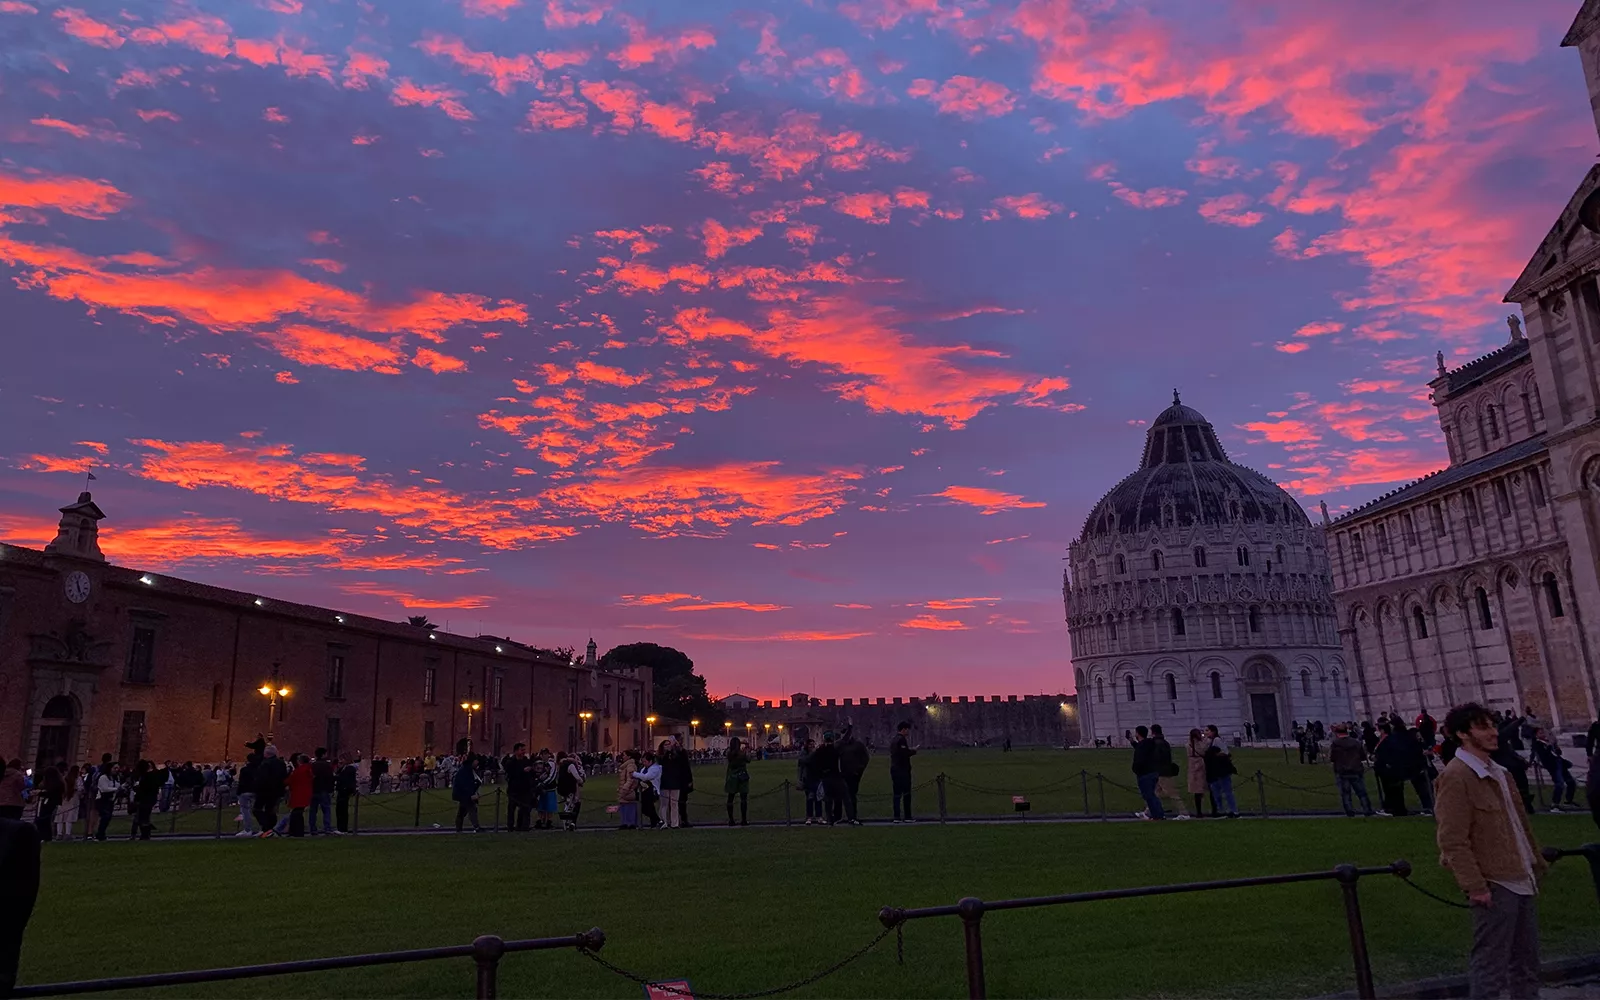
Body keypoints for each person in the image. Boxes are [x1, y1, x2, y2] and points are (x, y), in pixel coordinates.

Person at [1435, 702, 1546, 999]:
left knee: (1527, 963)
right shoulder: (1456, 776)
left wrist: (1534, 862)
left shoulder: (1500, 771)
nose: (1494, 733)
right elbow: (1452, 839)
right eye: (1483, 727)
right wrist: (1475, 886)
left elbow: (1518, 825)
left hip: (1521, 875)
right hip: (1494, 883)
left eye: (1493, 725)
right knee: (1491, 966)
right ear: (1461, 734)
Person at [1329, 724, 1375, 817]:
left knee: (1346, 794)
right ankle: (1367, 809)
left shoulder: (1335, 743)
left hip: (1342, 771)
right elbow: (1362, 756)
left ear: (1337, 733)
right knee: (1362, 792)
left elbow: (1332, 758)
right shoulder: (1356, 742)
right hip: (1356, 769)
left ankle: (1349, 811)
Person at [1530, 730, 1576, 811]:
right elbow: (1544, 755)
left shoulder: (1548, 742)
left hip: (1560, 762)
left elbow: (1558, 753)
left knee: (1571, 782)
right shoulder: (1537, 744)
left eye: (1543, 732)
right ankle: (1555, 804)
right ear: (1536, 735)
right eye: (1540, 733)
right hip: (1552, 765)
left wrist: (1555, 746)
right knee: (1559, 783)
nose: (1543, 734)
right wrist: (1550, 745)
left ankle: (1568, 801)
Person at [1149, 724, 1188, 819]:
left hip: (1161, 771)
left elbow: (1157, 757)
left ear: (1152, 732)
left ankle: (1184, 813)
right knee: (1155, 793)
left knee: (1172, 793)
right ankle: (1148, 811)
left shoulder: (1156, 743)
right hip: (1165, 770)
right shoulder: (1164, 742)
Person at [1203, 725, 1238, 818]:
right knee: (1217, 791)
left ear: (1213, 731)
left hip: (1221, 770)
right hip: (1215, 771)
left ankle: (1232, 810)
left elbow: (1226, 752)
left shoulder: (1217, 740)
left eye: (1207, 730)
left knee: (1226, 791)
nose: (1205, 732)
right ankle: (1222, 810)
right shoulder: (1210, 741)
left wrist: (1215, 755)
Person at [837, 725, 869, 826]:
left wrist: (859, 770)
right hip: (842, 774)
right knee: (839, 796)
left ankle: (853, 816)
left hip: (854, 774)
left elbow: (865, 758)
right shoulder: (840, 745)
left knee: (851, 795)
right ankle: (839, 817)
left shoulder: (858, 745)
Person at [1130, 726, 1164, 820]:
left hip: (1145, 773)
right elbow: (1139, 747)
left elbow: (1140, 758)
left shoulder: (1143, 746)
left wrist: (1136, 769)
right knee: (1151, 795)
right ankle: (1158, 814)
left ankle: (1157, 816)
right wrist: (1132, 741)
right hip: (1152, 772)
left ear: (1138, 733)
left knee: (1149, 796)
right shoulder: (1148, 744)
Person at [813, 731, 845, 825]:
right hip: (836, 775)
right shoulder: (836, 749)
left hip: (825, 776)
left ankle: (829, 818)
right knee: (838, 797)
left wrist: (820, 773)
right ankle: (837, 816)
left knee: (828, 799)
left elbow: (816, 763)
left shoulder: (820, 750)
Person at [452, 743, 483, 833]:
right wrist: (471, 795)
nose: (477, 762)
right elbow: (466, 784)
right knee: (471, 809)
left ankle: (459, 828)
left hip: (464, 794)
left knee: (462, 811)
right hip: (465, 795)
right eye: (476, 761)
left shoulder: (467, 769)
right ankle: (476, 827)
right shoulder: (466, 771)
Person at [889, 721, 917, 823]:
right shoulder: (901, 740)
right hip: (902, 770)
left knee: (896, 794)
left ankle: (896, 816)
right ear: (904, 729)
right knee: (906, 793)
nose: (908, 732)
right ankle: (907, 816)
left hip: (895, 769)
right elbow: (903, 753)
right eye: (907, 729)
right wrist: (913, 751)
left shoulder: (894, 739)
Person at [503, 744, 533, 832]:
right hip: (514, 789)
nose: (523, 752)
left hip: (525, 789)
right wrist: (522, 771)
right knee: (512, 809)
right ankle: (510, 826)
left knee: (525, 809)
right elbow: (510, 774)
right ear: (516, 751)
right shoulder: (510, 762)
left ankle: (523, 827)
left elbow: (531, 774)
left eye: (524, 750)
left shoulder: (526, 761)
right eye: (521, 750)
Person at [32, 762, 64, 842]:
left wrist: (40, 792)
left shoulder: (57, 784)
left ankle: (46, 837)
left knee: (45, 820)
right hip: (45, 802)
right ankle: (43, 836)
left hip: (50, 803)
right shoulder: (56, 783)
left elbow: (51, 792)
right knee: (42, 820)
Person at [284, 754, 313, 838]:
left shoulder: (299, 770)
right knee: (297, 813)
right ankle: (295, 832)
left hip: (298, 793)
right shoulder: (309, 769)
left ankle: (297, 832)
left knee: (296, 813)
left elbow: (291, 779)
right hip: (305, 792)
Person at [309, 747, 336, 836]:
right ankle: (327, 828)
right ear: (323, 754)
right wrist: (331, 789)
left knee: (313, 810)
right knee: (326, 809)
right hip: (324, 789)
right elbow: (330, 778)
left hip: (314, 790)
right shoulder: (327, 765)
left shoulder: (312, 765)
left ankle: (313, 829)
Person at [632, 751, 662, 829]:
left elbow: (646, 777)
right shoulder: (644, 768)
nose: (643, 763)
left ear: (650, 761)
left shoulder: (655, 768)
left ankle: (657, 820)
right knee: (648, 807)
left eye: (645, 761)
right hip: (644, 791)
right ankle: (655, 822)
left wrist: (634, 774)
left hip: (653, 791)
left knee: (646, 807)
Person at [556, 751, 585, 831]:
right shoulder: (570, 764)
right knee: (569, 806)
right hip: (570, 788)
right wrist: (581, 781)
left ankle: (568, 824)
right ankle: (567, 824)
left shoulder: (561, 765)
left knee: (568, 805)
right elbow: (577, 777)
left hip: (561, 789)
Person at [1185, 729, 1211, 817]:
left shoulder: (1188, 744)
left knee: (1196, 790)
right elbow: (1204, 749)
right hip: (1199, 764)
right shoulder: (1199, 744)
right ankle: (1200, 811)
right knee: (1200, 789)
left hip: (1192, 765)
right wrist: (1206, 738)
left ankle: (1198, 810)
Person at [724, 738, 750, 826]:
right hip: (742, 776)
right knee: (743, 799)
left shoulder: (729, 753)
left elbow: (727, 752)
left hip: (732, 776)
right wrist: (746, 747)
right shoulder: (741, 754)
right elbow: (748, 759)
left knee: (730, 799)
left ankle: (731, 820)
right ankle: (744, 819)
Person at [93, 758, 118, 841]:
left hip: (110, 800)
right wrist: (116, 789)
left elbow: (117, 785)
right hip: (101, 800)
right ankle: (100, 834)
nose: (116, 770)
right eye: (115, 768)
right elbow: (104, 789)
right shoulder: (103, 777)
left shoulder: (113, 778)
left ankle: (102, 833)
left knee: (107, 817)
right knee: (105, 816)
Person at [335, 755, 358, 834]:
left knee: (342, 809)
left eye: (342, 759)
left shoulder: (350, 768)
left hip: (345, 790)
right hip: (342, 789)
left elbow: (344, 778)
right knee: (339, 809)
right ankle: (340, 827)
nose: (340, 761)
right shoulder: (343, 768)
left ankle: (343, 828)